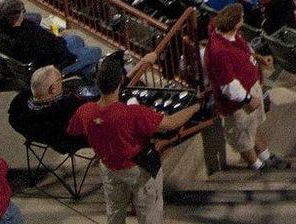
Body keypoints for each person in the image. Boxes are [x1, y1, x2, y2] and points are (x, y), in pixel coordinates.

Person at [67, 52, 198, 224]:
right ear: (119, 82)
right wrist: (195, 107)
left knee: (114, 209)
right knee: (149, 211)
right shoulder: (132, 113)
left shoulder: (85, 111)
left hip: (108, 165)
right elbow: (172, 123)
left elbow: (72, 130)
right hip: (137, 167)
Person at [205, 3, 274, 170]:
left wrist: (258, 59)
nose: (243, 20)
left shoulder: (233, 34)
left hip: (251, 86)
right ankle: (257, 165)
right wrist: (248, 99)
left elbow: (245, 50)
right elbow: (228, 85)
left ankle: (266, 156)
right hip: (238, 101)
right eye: (241, 18)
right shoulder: (218, 50)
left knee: (253, 126)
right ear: (235, 23)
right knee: (243, 135)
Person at [8, 65, 89, 155]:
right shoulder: (68, 109)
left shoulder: (18, 110)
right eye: (60, 80)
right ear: (53, 89)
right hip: (70, 141)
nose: (62, 82)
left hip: (39, 136)